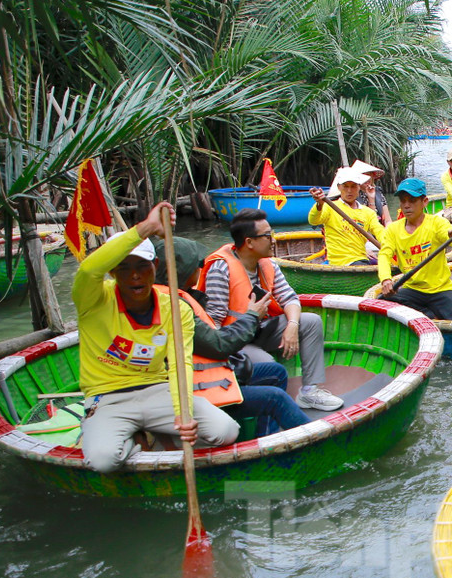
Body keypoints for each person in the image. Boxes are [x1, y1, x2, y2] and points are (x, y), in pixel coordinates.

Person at [72, 203, 240, 473]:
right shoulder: (93, 300)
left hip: (157, 391)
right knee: (104, 461)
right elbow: (88, 270)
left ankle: (153, 434)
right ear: (112, 271)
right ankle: (135, 438)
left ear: (156, 266)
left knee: (226, 431)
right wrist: (146, 228)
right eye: (124, 268)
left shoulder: (175, 308)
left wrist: (183, 413)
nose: (135, 276)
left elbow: (180, 364)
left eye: (143, 266)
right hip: (108, 397)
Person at [156, 237, 312, 436]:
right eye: (198, 265)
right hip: (197, 388)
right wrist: (252, 315)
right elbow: (219, 345)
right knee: (275, 398)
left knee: (276, 372)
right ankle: (318, 442)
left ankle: (266, 438)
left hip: (212, 371)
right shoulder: (175, 307)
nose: (201, 269)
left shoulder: (182, 297)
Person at [199, 208, 343, 411]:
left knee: (310, 321)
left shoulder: (269, 264)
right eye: (268, 236)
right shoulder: (220, 270)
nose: (273, 240)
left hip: (262, 328)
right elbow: (213, 323)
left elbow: (290, 298)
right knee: (269, 367)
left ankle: (310, 391)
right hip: (236, 340)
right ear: (249, 242)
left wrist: (292, 325)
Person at [377, 178, 452, 321]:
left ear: (424, 202)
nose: (406, 206)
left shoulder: (436, 222)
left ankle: (430, 313)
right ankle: (429, 314)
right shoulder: (393, 229)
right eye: (403, 201)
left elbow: (451, 238)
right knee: (382, 303)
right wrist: (386, 279)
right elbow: (384, 255)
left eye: (412, 201)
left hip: (440, 290)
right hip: (412, 290)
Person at [307, 168, 383, 266]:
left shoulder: (368, 212)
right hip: (340, 262)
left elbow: (379, 232)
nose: (349, 191)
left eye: (353, 186)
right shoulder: (329, 207)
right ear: (339, 187)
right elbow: (313, 221)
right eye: (345, 186)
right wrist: (319, 204)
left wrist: (391, 244)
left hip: (361, 258)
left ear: (359, 187)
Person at [350, 159, 390, 225]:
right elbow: (368, 222)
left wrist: (388, 228)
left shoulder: (378, 192)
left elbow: (388, 220)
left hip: (379, 228)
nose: (367, 178)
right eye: (363, 175)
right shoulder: (352, 196)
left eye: (369, 175)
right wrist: (371, 199)